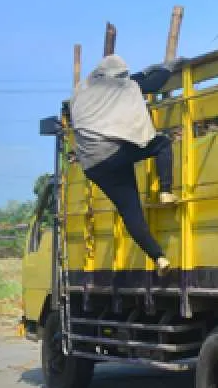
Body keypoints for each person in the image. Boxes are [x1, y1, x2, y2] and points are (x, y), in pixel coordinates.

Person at [69, 55, 178, 273]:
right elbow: (152, 85)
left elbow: (133, 79)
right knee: (162, 144)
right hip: (115, 152)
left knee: (130, 211)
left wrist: (145, 70)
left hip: (94, 165)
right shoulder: (121, 87)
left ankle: (158, 257)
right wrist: (168, 68)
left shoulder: (83, 92)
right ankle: (166, 190)